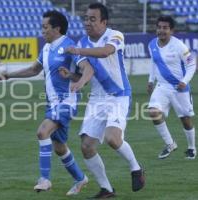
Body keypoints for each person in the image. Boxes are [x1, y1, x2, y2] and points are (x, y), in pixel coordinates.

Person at [0, 10, 94, 196]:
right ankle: (81, 178)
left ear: (56, 28)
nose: (42, 30)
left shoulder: (69, 46)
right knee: (59, 147)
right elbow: (34, 69)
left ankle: (44, 179)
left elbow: (87, 68)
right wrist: (8, 75)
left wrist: (81, 81)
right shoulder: (47, 48)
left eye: (45, 27)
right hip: (52, 103)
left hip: (67, 101)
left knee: (42, 132)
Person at [59, 3, 145, 198]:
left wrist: (78, 52)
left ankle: (136, 169)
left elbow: (106, 52)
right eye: (85, 18)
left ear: (104, 22)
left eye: (92, 19)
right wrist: (75, 78)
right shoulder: (81, 43)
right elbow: (87, 71)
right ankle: (106, 189)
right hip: (97, 98)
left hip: (119, 95)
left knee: (113, 139)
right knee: (86, 146)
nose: (87, 22)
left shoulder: (115, 36)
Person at [147, 15, 196, 159]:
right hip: (162, 86)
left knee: (185, 120)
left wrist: (185, 81)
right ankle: (170, 143)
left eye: (165, 28)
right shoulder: (152, 44)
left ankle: (192, 147)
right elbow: (154, 62)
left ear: (172, 30)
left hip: (179, 88)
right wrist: (151, 80)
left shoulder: (179, 46)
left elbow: (192, 64)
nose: (161, 30)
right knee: (153, 112)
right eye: (159, 27)